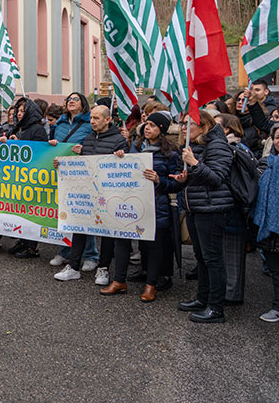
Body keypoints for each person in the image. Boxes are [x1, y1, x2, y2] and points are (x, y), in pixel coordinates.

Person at [101, 111, 180, 301]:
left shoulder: (170, 153)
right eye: (146, 124)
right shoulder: (135, 147)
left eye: (152, 125)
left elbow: (176, 184)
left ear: (161, 129)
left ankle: (150, 285)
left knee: (153, 245)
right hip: (130, 203)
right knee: (122, 240)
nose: (147, 128)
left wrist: (159, 180)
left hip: (156, 206)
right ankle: (119, 280)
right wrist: (120, 158)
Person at [171, 109, 235, 323]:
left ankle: (216, 308)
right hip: (195, 208)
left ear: (204, 126)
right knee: (201, 258)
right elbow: (193, 179)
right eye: (182, 123)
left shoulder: (217, 145)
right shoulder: (192, 145)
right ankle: (202, 298)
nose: (183, 128)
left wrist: (195, 163)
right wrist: (182, 179)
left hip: (212, 209)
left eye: (189, 124)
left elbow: (217, 178)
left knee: (213, 259)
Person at [54, 105, 128, 283]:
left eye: (96, 118)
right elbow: (83, 165)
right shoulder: (88, 139)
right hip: (87, 194)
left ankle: (103, 268)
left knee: (108, 233)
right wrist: (62, 165)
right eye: (91, 118)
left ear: (108, 120)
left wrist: (122, 156)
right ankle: (73, 267)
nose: (92, 122)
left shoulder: (119, 141)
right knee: (80, 228)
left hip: (108, 195)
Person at [49, 92, 97, 268]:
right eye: (69, 99)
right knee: (65, 214)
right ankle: (65, 251)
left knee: (83, 214)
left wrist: (83, 149)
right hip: (63, 173)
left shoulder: (89, 123)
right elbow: (53, 143)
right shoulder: (60, 123)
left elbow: (95, 145)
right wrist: (52, 144)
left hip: (82, 173)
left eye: (75, 99)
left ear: (83, 104)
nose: (71, 101)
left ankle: (91, 255)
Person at [2, 98, 49, 257]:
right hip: (17, 178)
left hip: (31, 178)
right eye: (18, 111)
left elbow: (40, 153)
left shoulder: (38, 130)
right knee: (20, 212)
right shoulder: (17, 128)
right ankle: (22, 241)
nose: (19, 114)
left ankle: (31, 247)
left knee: (31, 212)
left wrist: (20, 143)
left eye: (23, 111)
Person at [214, 113, 251, 306]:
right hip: (229, 207)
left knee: (232, 254)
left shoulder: (234, 149)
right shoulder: (233, 147)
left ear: (227, 129)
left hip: (234, 207)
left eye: (216, 125)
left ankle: (232, 294)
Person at [253, 124, 279, 322]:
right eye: (278, 137)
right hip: (270, 226)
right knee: (276, 271)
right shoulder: (267, 163)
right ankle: (278, 307)